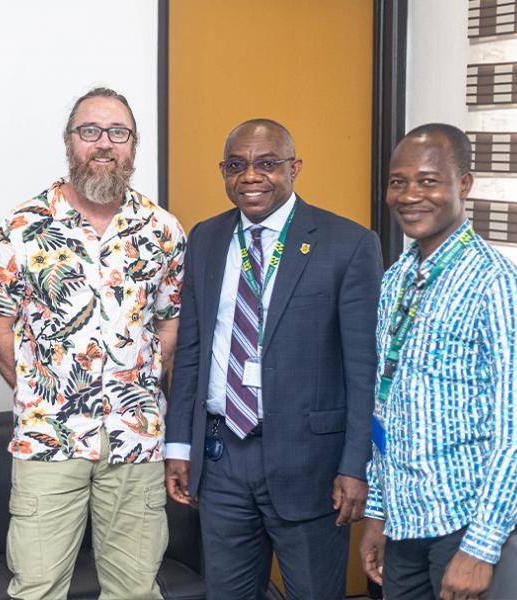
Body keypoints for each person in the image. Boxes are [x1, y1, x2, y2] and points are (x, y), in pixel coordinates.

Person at [0, 87, 187, 600]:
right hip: (48, 440)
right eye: (89, 131)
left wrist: (138, 386)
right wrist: (38, 386)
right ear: (68, 142)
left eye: (118, 133)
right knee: (38, 587)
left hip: (136, 441)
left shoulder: (162, 230)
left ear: (133, 147)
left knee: (135, 590)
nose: (103, 144)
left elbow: (170, 321)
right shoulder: (21, 227)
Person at [165, 119, 383, 599]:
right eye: (237, 165)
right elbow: (193, 351)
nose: (251, 176)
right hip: (222, 457)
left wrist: (356, 465)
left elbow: (364, 370)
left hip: (311, 465)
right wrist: (179, 446)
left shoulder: (347, 244)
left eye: (267, 164)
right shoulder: (206, 238)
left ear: (294, 168)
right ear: (223, 172)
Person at [359, 123, 517, 600]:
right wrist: (380, 514)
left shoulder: (501, 287)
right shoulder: (397, 279)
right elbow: (387, 407)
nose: (409, 195)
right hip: (407, 525)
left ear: (463, 184)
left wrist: (481, 547)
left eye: (428, 180)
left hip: (471, 526)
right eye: (398, 182)